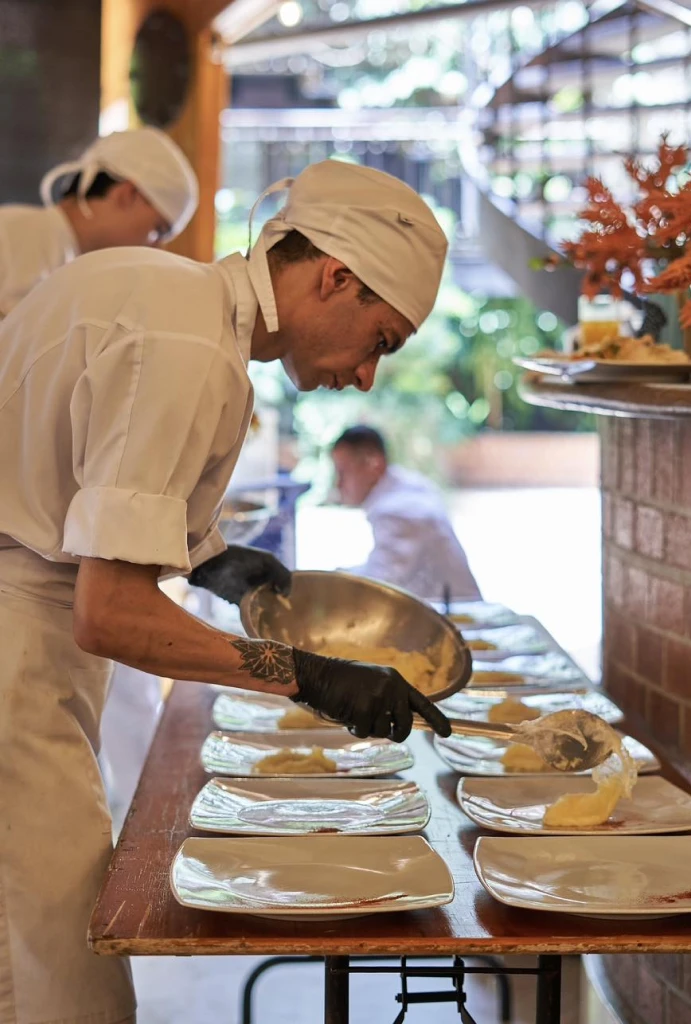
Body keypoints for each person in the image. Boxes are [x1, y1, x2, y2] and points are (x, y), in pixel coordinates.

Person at [0, 159, 451, 1024]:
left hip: (25, 609)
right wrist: (305, 673)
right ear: (336, 276)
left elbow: (83, 475)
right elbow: (110, 613)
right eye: (380, 341)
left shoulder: (170, 294)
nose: (365, 377)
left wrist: (211, 560)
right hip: (16, 637)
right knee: (61, 977)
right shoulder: (191, 345)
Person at [0, 127, 200, 823]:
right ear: (123, 193)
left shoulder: (54, 252)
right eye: (153, 230)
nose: (148, 249)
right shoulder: (29, 237)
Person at [0, 126, 198, 319]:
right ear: (128, 194)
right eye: (159, 230)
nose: (158, 248)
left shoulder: (83, 276)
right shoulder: (8, 234)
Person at [332, 425, 481, 602]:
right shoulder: (406, 489)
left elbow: (377, 587)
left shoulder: (398, 511)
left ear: (374, 463)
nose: (338, 484)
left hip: (456, 622)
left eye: (343, 472)